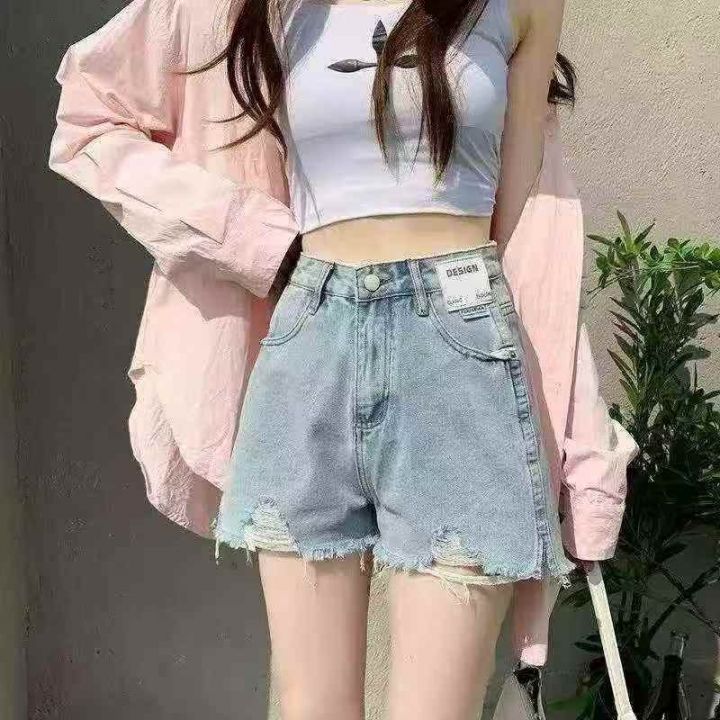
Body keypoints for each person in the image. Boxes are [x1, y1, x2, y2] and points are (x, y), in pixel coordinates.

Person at [48, 1, 636, 719]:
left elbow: (529, 238)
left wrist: (581, 450)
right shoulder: (249, 7)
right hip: (309, 345)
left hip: (461, 355)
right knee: (309, 708)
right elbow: (90, 113)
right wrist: (254, 240)